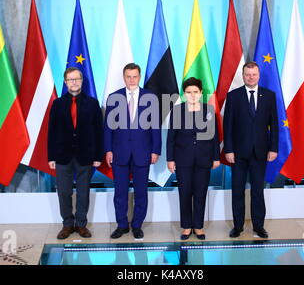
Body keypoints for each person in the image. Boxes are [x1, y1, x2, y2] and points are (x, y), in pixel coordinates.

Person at [104, 63, 161, 240]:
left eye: (134, 76)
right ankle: (121, 225)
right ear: (124, 77)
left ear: (139, 77)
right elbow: (107, 128)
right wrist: (108, 150)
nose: (131, 80)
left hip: (142, 152)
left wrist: (155, 150)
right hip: (119, 152)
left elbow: (155, 127)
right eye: (128, 76)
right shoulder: (114, 97)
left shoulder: (150, 97)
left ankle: (137, 225)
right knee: (120, 192)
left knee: (141, 192)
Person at [223, 61, 278, 239]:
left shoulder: (269, 96)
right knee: (237, 189)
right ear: (243, 75)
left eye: (254, 74)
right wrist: (228, 150)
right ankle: (237, 226)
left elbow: (274, 125)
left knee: (257, 190)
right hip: (238, 153)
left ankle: (258, 226)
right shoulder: (233, 96)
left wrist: (273, 148)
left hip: (260, 152)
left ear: (259, 75)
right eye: (247, 74)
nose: (251, 77)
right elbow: (228, 126)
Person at [48, 67, 103, 240]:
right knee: (64, 191)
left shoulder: (92, 103)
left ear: (82, 81)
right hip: (63, 155)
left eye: (77, 79)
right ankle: (67, 224)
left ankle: (80, 224)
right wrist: (51, 156)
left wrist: (97, 156)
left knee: (83, 191)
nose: (74, 82)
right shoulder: (57, 104)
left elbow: (98, 131)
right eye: (70, 79)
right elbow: (52, 131)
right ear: (65, 82)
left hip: (85, 155)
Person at [167, 77, 220, 240]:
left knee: (200, 193)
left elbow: (214, 137)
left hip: (204, 159)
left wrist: (216, 157)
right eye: (188, 92)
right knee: (184, 193)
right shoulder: (177, 111)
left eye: (195, 92)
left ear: (201, 93)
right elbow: (171, 137)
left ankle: (198, 226)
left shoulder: (209, 111)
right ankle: (186, 226)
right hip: (183, 159)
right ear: (184, 94)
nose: (192, 95)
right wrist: (170, 159)